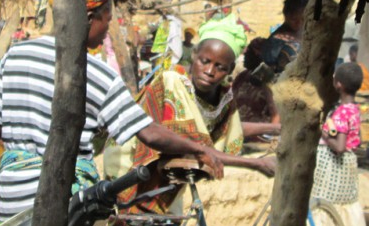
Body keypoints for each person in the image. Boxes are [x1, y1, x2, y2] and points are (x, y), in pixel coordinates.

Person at [0, 0, 227, 226]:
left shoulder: (15, 55)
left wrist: (31, 138)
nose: (108, 30)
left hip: (12, 199)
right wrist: (199, 148)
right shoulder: (96, 73)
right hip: (64, 200)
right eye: (107, 21)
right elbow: (150, 134)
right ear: (89, 18)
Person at [105, 13, 277, 211]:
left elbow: (231, 129)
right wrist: (256, 163)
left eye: (220, 67)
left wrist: (275, 128)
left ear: (230, 70)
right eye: (205, 61)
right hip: (129, 167)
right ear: (194, 55)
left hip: (167, 173)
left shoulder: (223, 96)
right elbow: (192, 144)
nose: (210, 71)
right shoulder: (173, 81)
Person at [309, 62, 368, 226]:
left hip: (332, 166)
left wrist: (322, 132)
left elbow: (340, 145)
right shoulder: (354, 109)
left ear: (338, 84)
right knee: (351, 212)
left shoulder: (341, 112)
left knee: (318, 212)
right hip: (349, 168)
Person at [232, 36, 281, 131]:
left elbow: (275, 113)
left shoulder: (269, 80)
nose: (245, 54)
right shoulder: (242, 76)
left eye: (250, 51)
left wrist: (273, 137)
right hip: (237, 132)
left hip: (259, 136)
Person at [261, 0, 307, 75]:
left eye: (303, 19)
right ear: (286, 15)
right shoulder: (275, 42)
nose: (299, 23)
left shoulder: (307, 35)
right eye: (294, 19)